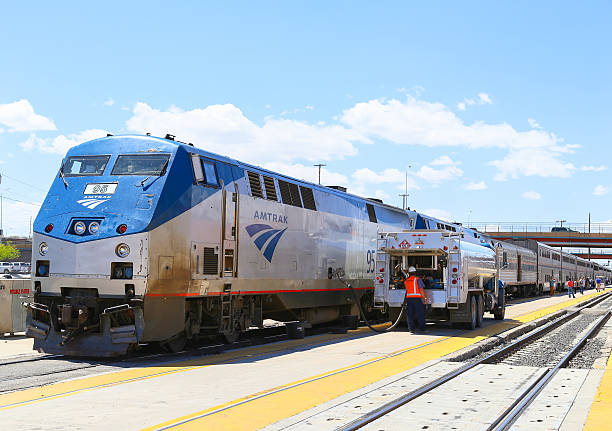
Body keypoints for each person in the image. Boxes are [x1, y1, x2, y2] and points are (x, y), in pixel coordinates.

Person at [404, 266, 427, 332]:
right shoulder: (417, 279)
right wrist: (424, 297)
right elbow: (421, 289)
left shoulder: (406, 280)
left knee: (410, 314)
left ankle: (411, 329)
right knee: (420, 314)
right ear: (415, 273)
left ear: (409, 273)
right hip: (416, 299)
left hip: (409, 299)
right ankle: (422, 329)